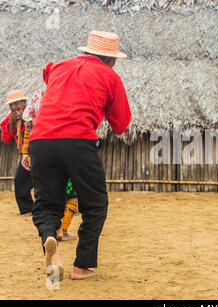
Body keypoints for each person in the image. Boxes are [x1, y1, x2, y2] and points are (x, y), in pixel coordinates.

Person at [29, 30, 131, 280]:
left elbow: (47, 72)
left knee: (47, 203)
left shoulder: (59, 67)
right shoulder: (110, 76)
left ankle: (50, 240)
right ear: (111, 59)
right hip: (78, 141)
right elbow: (120, 125)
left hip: (41, 140)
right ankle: (81, 266)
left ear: (85, 51)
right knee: (95, 205)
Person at [21, 62, 78, 241]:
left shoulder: (37, 98)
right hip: (65, 151)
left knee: (47, 197)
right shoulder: (70, 96)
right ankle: (63, 230)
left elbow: (28, 127)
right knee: (72, 194)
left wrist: (25, 152)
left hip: (40, 152)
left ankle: (50, 232)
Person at [1, 90, 34, 216]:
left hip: (37, 151)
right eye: (11, 105)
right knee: (20, 181)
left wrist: (25, 120)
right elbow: (7, 139)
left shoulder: (32, 113)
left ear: (24, 102)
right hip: (25, 155)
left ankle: (69, 206)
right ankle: (28, 210)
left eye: (16, 104)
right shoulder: (11, 118)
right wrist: (11, 122)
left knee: (46, 181)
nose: (13, 107)